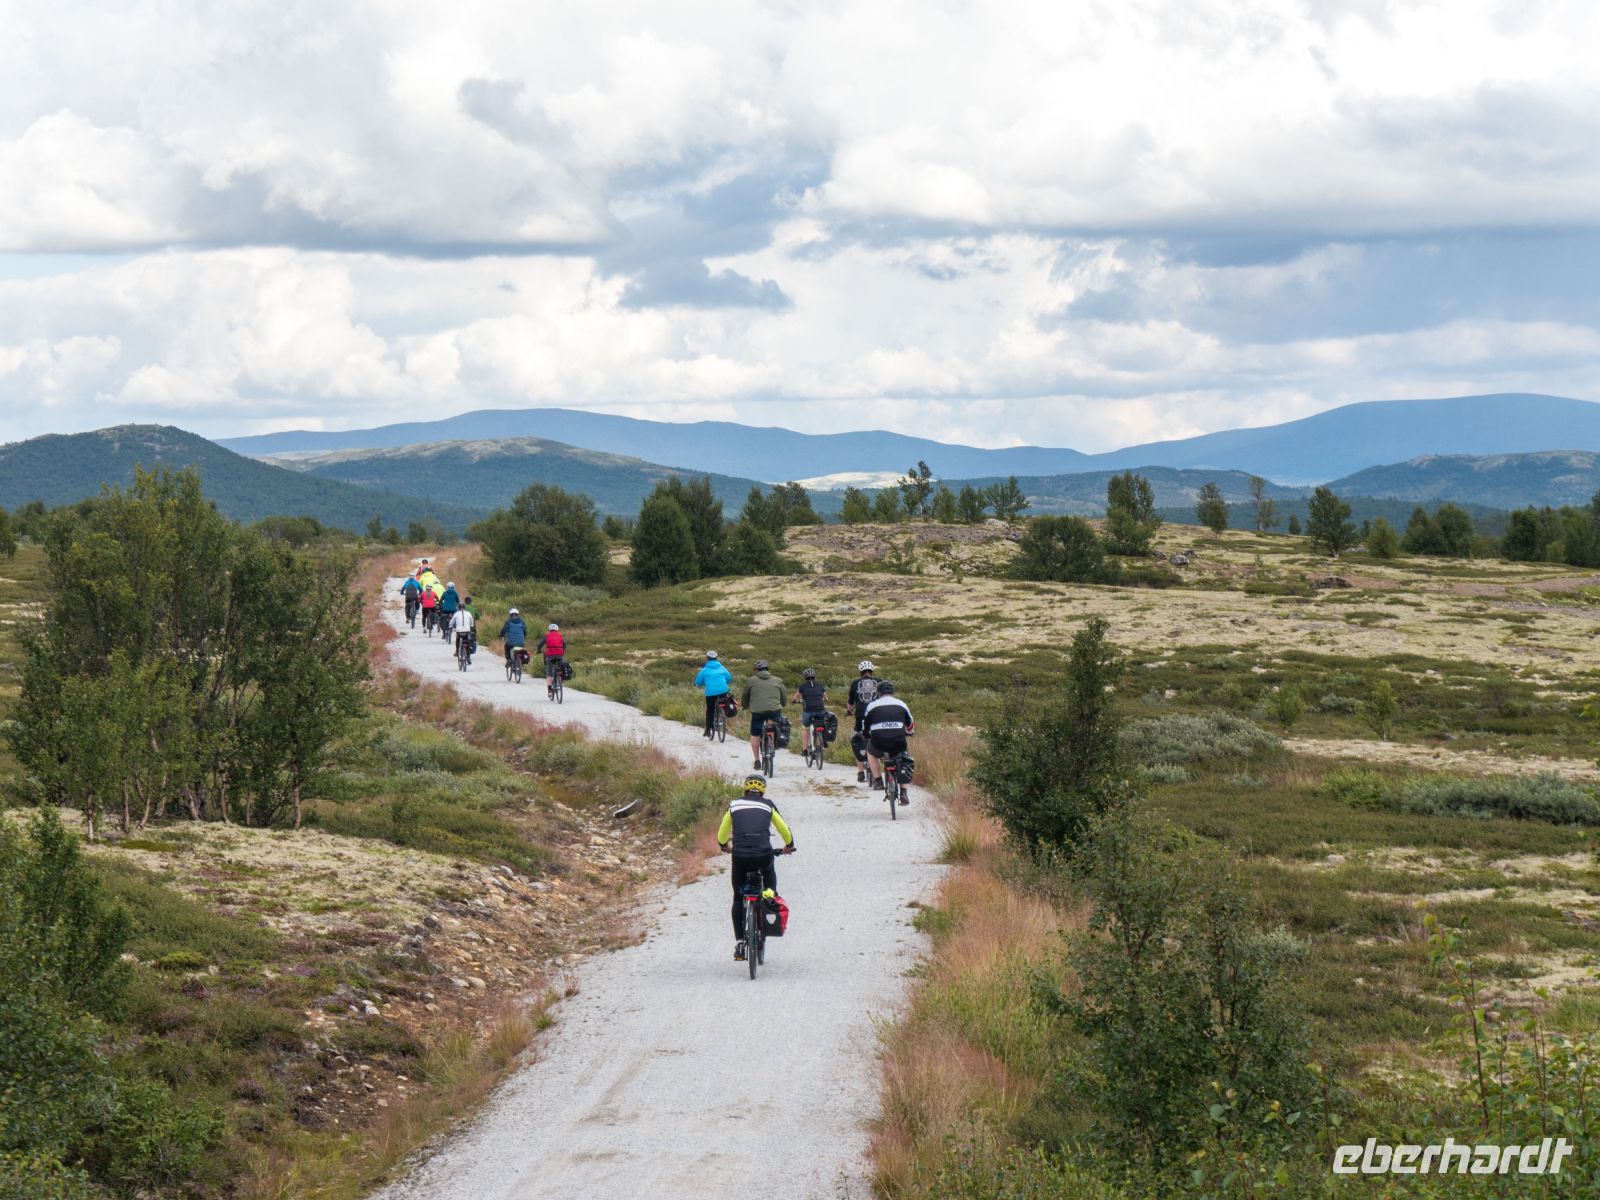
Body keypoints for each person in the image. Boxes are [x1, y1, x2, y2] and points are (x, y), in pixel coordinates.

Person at [716, 775, 795, 960]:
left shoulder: (734, 805)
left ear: (745, 790)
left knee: (737, 898)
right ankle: (768, 896)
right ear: (762, 791)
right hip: (763, 854)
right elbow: (783, 828)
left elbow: (722, 832)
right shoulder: (767, 805)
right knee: (769, 882)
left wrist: (723, 845)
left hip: (740, 856)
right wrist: (789, 845)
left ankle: (739, 943)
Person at [862, 680, 914, 804]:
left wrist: (866, 735)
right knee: (903, 760)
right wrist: (910, 733)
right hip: (898, 742)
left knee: (871, 752)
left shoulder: (871, 705)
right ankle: (904, 794)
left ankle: (878, 781)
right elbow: (910, 723)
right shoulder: (901, 704)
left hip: (879, 741)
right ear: (892, 692)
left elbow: (865, 725)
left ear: (878, 693)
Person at [740, 660, 787, 770]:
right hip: (774, 710)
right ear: (767, 669)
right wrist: (782, 704)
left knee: (755, 734)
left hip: (757, 712)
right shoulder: (778, 680)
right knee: (772, 725)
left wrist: (745, 706)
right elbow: (783, 696)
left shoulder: (751, 681)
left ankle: (757, 761)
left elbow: (745, 696)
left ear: (756, 670)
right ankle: (772, 746)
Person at [845, 660, 881, 782]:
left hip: (861, 717)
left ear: (861, 672)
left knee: (858, 740)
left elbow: (851, 701)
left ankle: (860, 772)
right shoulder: (879, 682)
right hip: (876, 716)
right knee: (877, 739)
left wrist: (849, 711)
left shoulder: (855, 683)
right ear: (872, 671)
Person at [693, 650, 733, 738]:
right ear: (716, 658)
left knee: (710, 710)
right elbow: (729, 678)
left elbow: (698, 682)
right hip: (723, 690)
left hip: (710, 693)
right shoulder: (722, 668)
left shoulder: (704, 670)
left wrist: (697, 684)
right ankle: (724, 721)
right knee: (724, 703)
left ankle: (708, 730)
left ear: (707, 658)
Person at [792, 668, 829, 753]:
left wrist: (794, 701)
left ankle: (805, 750)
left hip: (808, 711)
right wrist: (824, 700)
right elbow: (826, 697)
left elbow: (796, 696)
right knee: (823, 724)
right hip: (820, 710)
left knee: (805, 728)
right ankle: (823, 740)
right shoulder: (820, 685)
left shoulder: (802, 686)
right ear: (814, 676)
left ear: (805, 677)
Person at [536, 623, 566, 696]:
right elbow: (564, 645)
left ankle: (550, 691)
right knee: (560, 668)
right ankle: (560, 679)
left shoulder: (547, 635)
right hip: (559, 654)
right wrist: (562, 651)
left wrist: (538, 650)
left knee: (549, 672)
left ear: (549, 629)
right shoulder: (560, 635)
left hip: (550, 655)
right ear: (557, 629)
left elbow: (540, 644)